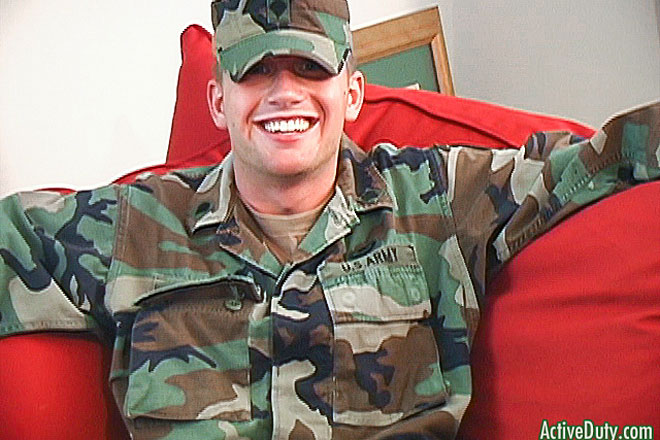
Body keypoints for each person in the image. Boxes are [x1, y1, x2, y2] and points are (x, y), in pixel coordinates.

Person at [0, 1, 658, 439]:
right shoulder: (133, 225)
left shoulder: (435, 197)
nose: (284, 91)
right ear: (218, 100)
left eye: (310, 67)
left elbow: (597, 162)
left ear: (352, 92)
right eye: (256, 70)